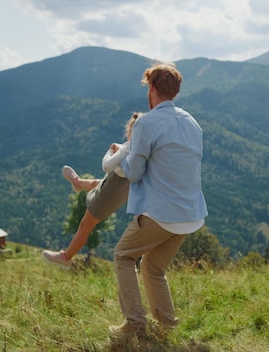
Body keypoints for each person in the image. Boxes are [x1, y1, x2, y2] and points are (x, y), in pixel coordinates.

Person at [109, 63, 208, 337]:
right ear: (175, 90)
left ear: (151, 88)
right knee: (153, 268)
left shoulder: (146, 122)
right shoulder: (192, 122)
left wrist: (120, 159)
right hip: (190, 213)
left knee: (123, 256)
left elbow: (135, 171)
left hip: (162, 213)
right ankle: (166, 327)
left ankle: (134, 325)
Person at [42, 113, 140, 269]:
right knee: (97, 183)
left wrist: (110, 150)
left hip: (107, 197)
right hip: (118, 193)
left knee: (85, 226)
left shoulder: (126, 151)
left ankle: (65, 257)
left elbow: (106, 166)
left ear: (129, 133)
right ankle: (78, 182)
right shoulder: (142, 151)